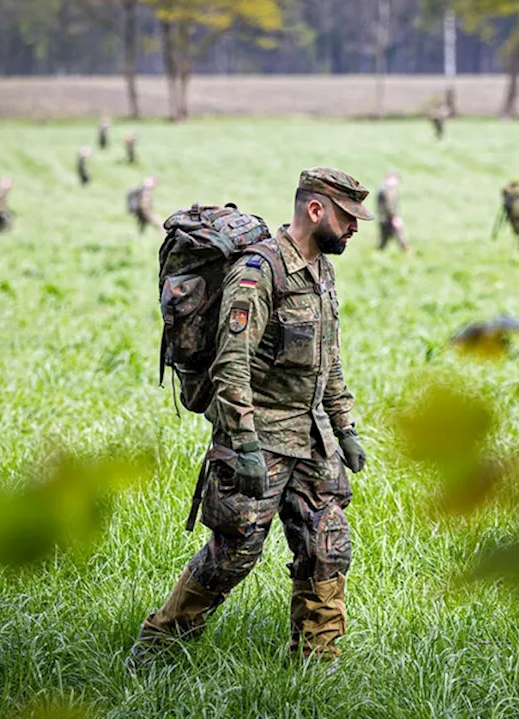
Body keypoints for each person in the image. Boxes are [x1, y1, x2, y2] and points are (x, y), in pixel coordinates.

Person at [128, 167, 371, 668]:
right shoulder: (258, 273)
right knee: (233, 554)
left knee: (327, 546)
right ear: (315, 210)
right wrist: (246, 446)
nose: (355, 228)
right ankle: (156, 647)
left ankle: (316, 663)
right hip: (260, 437)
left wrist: (344, 426)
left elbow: (330, 359)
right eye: (348, 217)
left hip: (314, 438)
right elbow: (230, 365)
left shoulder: (322, 269)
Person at [375, 170, 409, 253]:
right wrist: (394, 217)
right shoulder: (388, 189)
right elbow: (390, 205)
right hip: (389, 218)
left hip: (383, 218)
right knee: (400, 236)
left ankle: (379, 254)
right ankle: (408, 253)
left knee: (384, 239)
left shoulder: (382, 188)